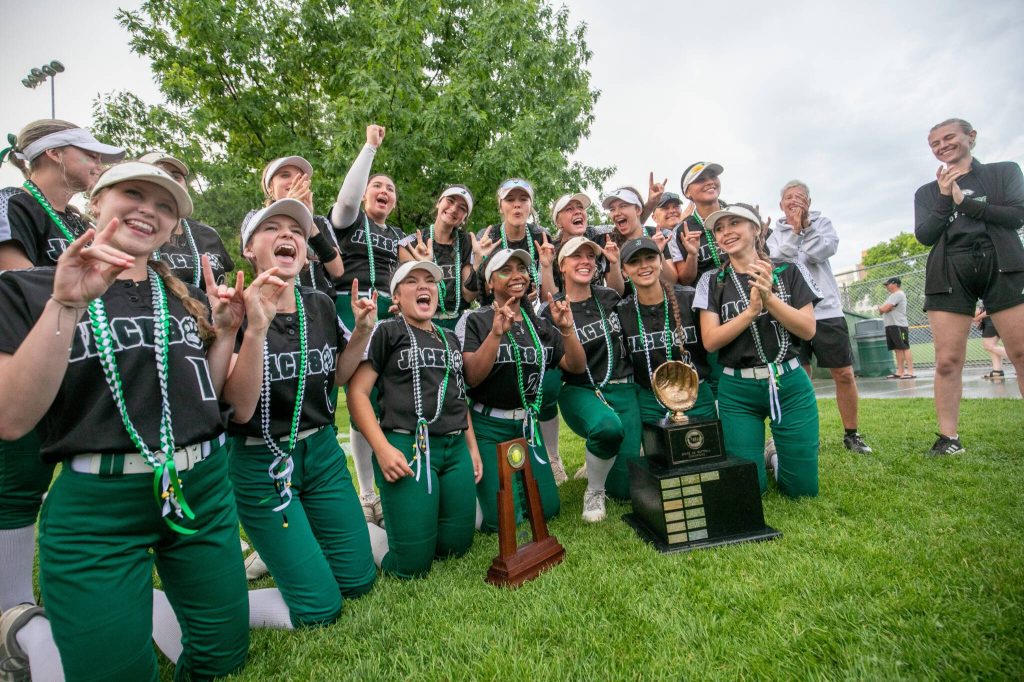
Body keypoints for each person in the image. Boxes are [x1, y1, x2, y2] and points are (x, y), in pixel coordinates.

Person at [0, 162, 248, 681]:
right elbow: (11, 417)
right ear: (95, 203)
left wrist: (224, 335)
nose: (149, 211)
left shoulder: (187, 296)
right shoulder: (31, 288)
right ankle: (28, 636)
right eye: (133, 193)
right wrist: (66, 303)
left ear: (174, 227)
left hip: (199, 487)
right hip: (98, 506)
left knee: (222, 657)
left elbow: (206, 395)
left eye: (165, 207)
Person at [220, 198, 377, 628]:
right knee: (320, 608)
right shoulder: (233, 308)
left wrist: (361, 333)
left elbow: (341, 377)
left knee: (359, 581)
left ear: (307, 251)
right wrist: (252, 329)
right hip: (261, 462)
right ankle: (210, 606)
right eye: (272, 228)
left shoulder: (321, 304)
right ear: (250, 248)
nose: (287, 234)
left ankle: (295, 551)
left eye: (296, 229)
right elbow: (239, 409)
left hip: (322, 453)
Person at [0, 121, 124, 632]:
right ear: (51, 155)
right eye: (89, 153)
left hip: (75, 357)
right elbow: (16, 279)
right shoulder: (13, 202)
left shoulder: (74, 221)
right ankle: (12, 610)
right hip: (24, 351)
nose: (99, 163)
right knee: (18, 476)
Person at [349, 260, 483, 577]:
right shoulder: (388, 330)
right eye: (412, 281)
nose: (423, 286)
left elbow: (458, 396)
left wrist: (472, 447)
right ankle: (353, 530)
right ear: (396, 297)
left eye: (429, 281)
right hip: (409, 447)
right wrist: (382, 449)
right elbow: (357, 394)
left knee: (456, 548)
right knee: (410, 565)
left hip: (454, 449)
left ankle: (415, 517)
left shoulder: (449, 337)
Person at [694, 204, 822, 497]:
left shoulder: (789, 270)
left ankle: (775, 457)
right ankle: (764, 458)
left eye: (734, 223)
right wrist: (751, 311)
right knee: (748, 491)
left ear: (756, 229)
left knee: (802, 491)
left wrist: (769, 300)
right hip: (737, 390)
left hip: (789, 383)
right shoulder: (712, 280)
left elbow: (807, 329)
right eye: (719, 228)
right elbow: (711, 341)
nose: (726, 232)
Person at [914, 117, 1024, 455]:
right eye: (935, 143)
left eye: (949, 138)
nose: (942, 146)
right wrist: (946, 197)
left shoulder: (1003, 172)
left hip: (1002, 263)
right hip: (950, 270)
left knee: (1021, 352)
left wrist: (967, 203)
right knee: (947, 359)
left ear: (970, 137)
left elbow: (1017, 215)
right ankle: (949, 439)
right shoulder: (927, 192)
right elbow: (925, 235)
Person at [457, 248, 585, 532]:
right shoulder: (474, 320)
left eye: (522, 269)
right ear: (489, 283)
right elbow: (472, 377)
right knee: (501, 521)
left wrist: (567, 328)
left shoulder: (537, 323)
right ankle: (474, 496)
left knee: (548, 509)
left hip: (527, 427)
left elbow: (575, 365)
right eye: (506, 270)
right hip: (489, 427)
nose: (517, 275)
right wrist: (495, 334)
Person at [330, 124, 404, 524]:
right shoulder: (347, 220)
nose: (384, 191)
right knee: (359, 396)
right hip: (350, 309)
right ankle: (366, 492)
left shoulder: (396, 235)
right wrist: (370, 149)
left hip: (388, 312)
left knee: (385, 397)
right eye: (377, 185)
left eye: (390, 189)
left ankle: (391, 478)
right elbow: (345, 200)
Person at [767, 180, 872, 454]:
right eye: (789, 197)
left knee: (844, 373)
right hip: (792, 312)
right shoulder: (773, 233)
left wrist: (806, 227)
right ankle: (801, 433)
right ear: (781, 204)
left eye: (800, 197)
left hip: (826, 311)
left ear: (809, 203)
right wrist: (793, 231)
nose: (794, 201)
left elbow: (820, 251)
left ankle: (852, 433)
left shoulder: (822, 224)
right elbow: (778, 260)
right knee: (799, 374)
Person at [543, 236, 637, 521]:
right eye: (576, 256)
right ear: (562, 266)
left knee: (625, 489)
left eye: (590, 256)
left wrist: (616, 262)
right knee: (607, 429)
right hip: (581, 389)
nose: (585, 261)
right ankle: (594, 491)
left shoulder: (608, 297)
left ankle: (596, 461)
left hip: (623, 386)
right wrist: (566, 328)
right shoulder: (551, 310)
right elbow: (565, 366)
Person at [542, 193, 623, 484]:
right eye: (569, 208)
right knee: (549, 383)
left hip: (600, 323)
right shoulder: (549, 249)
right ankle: (552, 458)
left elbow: (619, 293)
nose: (578, 212)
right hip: (577, 378)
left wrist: (612, 263)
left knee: (625, 482)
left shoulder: (598, 237)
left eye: (581, 207)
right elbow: (549, 296)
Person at [617, 236, 716, 428]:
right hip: (650, 400)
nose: (644, 266)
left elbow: (713, 351)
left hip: (697, 395)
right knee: (657, 458)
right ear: (624, 271)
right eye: (634, 262)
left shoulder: (690, 299)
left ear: (661, 262)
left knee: (707, 456)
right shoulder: (622, 311)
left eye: (650, 258)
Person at [139, 151, 235, 288]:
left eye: (176, 176)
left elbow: (223, 280)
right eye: (159, 174)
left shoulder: (209, 234)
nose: (169, 181)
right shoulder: (133, 232)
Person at [255, 154, 344, 296]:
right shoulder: (258, 219)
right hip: (276, 302)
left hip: (321, 304)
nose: (294, 181)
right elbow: (256, 261)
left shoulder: (320, 222)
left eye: (300, 177)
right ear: (270, 187)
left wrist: (309, 223)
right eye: (285, 175)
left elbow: (338, 270)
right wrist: (287, 207)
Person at [399, 185, 481, 329]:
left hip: (458, 323)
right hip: (421, 321)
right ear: (438, 202)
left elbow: (468, 295)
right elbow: (409, 293)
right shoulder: (411, 243)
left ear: (465, 217)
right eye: (450, 200)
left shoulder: (466, 243)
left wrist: (478, 263)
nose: (454, 209)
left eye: (462, 208)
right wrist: (425, 266)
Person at [475, 178, 555, 303]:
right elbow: (476, 296)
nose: (517, 204)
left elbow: (550, 301)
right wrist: (479, 262)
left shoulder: (541, 237)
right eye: (510, 199)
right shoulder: (488, 238)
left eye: (523, 199)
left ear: (530, 205)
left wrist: (546, 267)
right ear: (500, 206)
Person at [673, 162, 728, 286]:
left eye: (713, 176)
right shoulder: (682, 230)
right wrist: (692, 255)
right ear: (687, 192)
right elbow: (685, 280)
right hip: (708, 300)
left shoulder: (738, 215)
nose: (709, 182)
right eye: (700, 179)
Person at [879, 277, 914, 379]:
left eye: (887, 284)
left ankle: (910, 372)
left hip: (899, 325)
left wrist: (884, 309)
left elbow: (884, 308)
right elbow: (883, 310)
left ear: (894, 284)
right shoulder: (892, 296)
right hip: (890, 325)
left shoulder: (898, 294)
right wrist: (884, 309)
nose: (886, 286)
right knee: (897, 349)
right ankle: (900, 372)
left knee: (904, 347)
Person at [973, 305, 1008, 379]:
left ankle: (1020, 360)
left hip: (993, 317)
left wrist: (977, 318)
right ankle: (997, 371)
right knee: (991, 346)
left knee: (988, 345)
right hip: (990, 318)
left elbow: (992, 307)